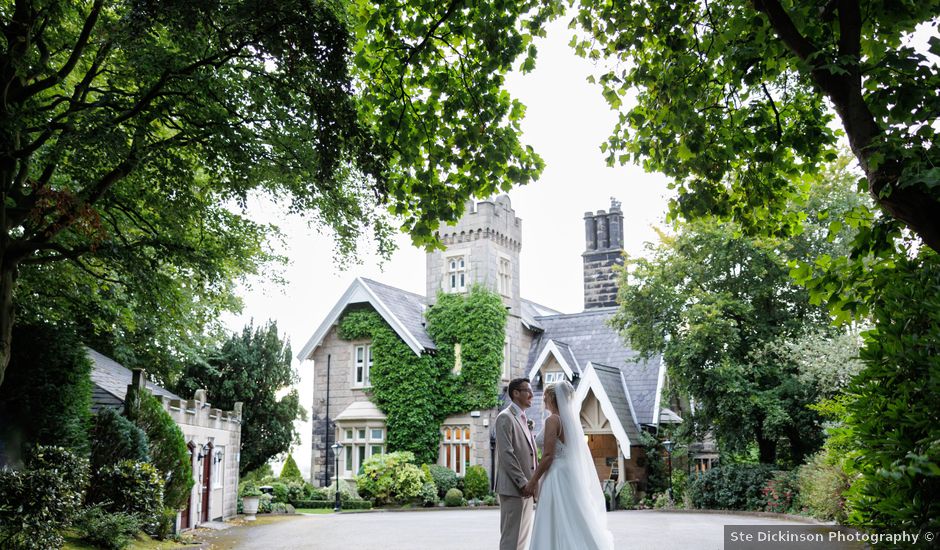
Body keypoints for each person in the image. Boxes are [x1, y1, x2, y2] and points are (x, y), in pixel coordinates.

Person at [526, 381, 614, 550]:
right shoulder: (571, 421)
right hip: (569, 473)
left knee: (555, 518)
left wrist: (533, 481)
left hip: (556, 474)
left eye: (545, 396)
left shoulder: (553, 420)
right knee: (572, 516)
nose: (543, 399)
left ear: (552, 397)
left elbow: (548, 455)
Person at [495, 377, 539, 550]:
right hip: (514, 488)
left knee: (521, 539)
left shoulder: (523, 418)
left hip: (527, 488)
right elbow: (507, 455)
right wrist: (523, 482)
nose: (531, 394)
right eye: (527, 390)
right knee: (511, 539)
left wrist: (533, 483)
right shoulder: (504, 418)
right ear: (515, 393)